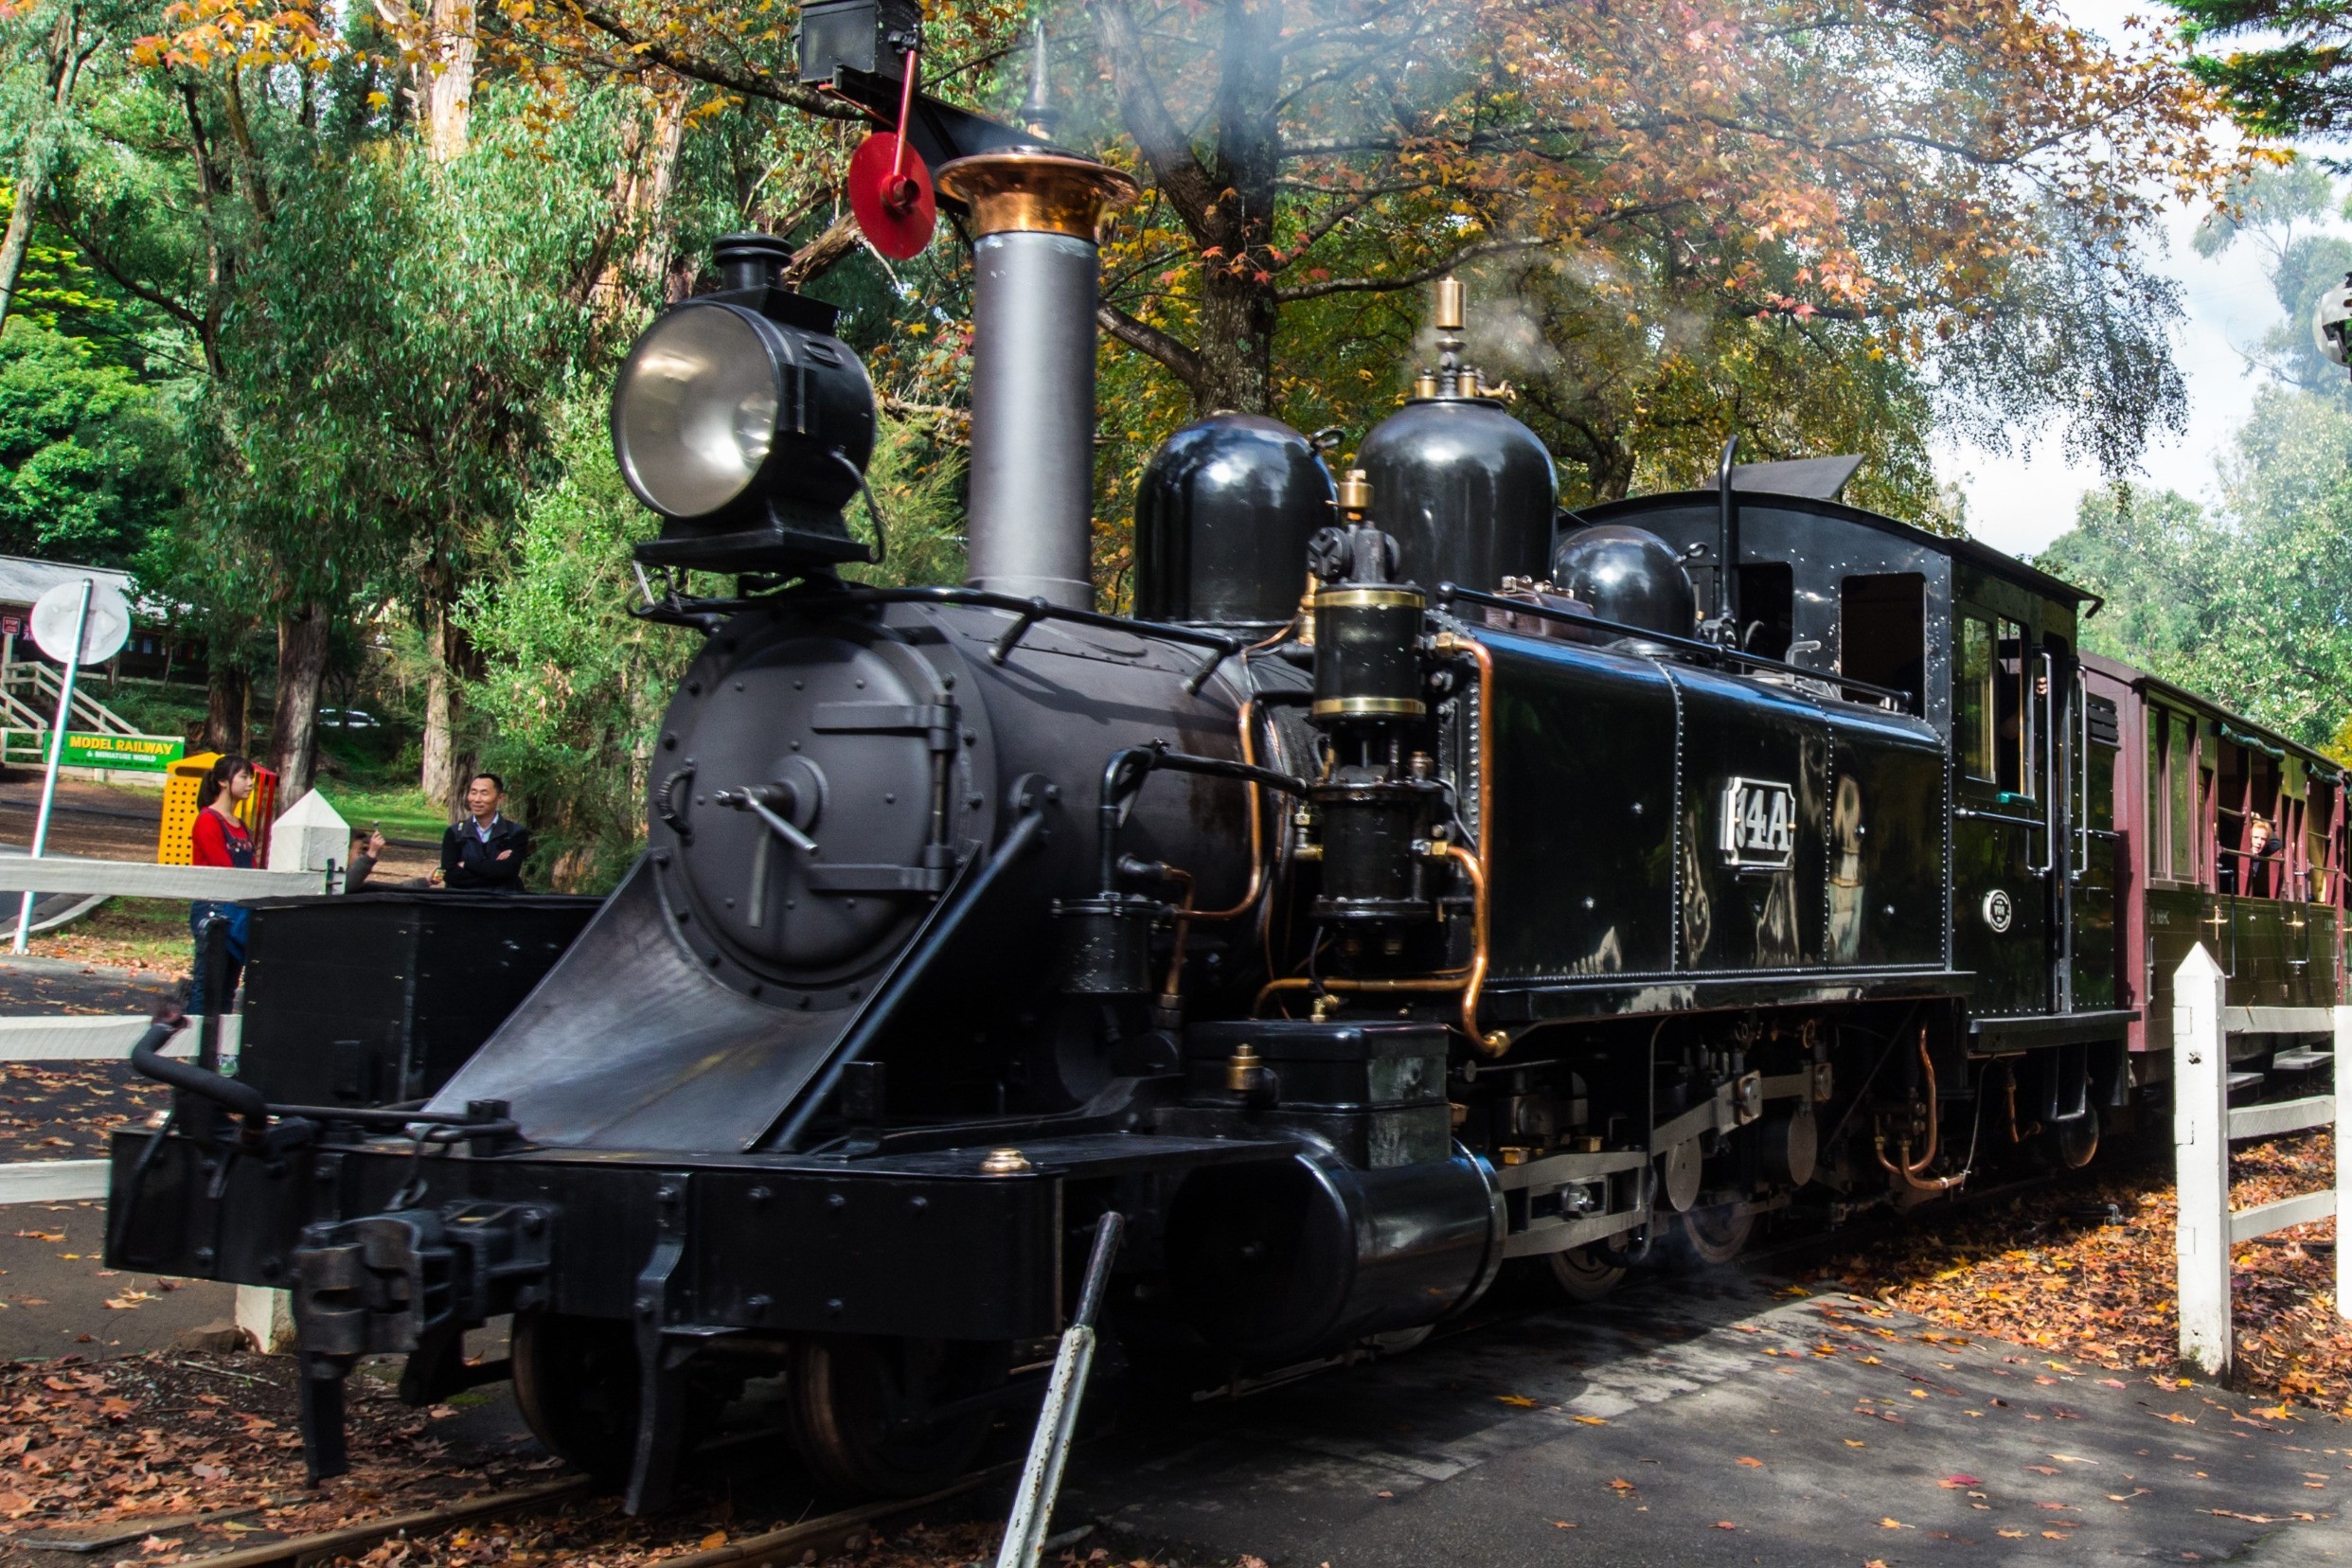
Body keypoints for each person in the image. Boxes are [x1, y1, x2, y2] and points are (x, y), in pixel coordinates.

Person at [187, 754, 257, 1014]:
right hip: (213, 910)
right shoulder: (208, 820)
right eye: (244, 777)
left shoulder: (242, 826)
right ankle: (196, 1051)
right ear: (223, 782)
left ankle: (221, 1051)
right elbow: (223, 869)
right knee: (206, 986)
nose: (250, 783)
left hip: (239, 912)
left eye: (251, 777)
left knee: (228, 987)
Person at [436, 773, 529, 892]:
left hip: (502, 904)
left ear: (500, 798)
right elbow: (449, 874)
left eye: (484, 793)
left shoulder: (515, 833)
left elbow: (508, 872)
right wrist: (494, 870)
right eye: (473, 792)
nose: (477, 799)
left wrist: (467, 863)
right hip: (462, 902)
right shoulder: (455, 833)